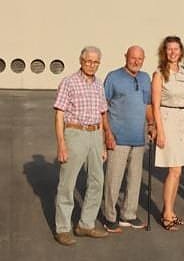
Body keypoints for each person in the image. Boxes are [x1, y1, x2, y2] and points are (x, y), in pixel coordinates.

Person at [53, 47, 109, 246]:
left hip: (95, 134)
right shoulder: (68, 82)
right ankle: (62, 228)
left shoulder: (99, 84)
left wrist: (102, 143)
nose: (92, 65)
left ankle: (86, 224)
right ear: (81, 60)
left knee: (97, 181)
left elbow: (102, 114)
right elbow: (59, 114)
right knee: (67, 184)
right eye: (88, 61)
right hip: (75, 133)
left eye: (95, 62)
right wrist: (61, 144)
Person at [101, 45, 153, 232]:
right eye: (133, 58)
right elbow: (103, 107)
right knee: (113, 180)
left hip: (138, 138)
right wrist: (107, 133)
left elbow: (148, 105)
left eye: (140, 58)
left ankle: (128, 214)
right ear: (126, 57)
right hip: (118, 138)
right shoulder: (113, 77)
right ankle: (109, 216)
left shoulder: (145, 78)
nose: (136, 61)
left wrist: (152, 124)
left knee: (134, 179)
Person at [152, 36, 184, 231]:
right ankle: (167, 215)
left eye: (176, 49)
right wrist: (159, 131)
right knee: (174, 170)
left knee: (178, 171)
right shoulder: (159, 74)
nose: (172, 52)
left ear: (181, 51)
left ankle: (169, 210)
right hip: (168, 120)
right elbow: (155, 105)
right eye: (169, 49)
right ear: (164, 51)